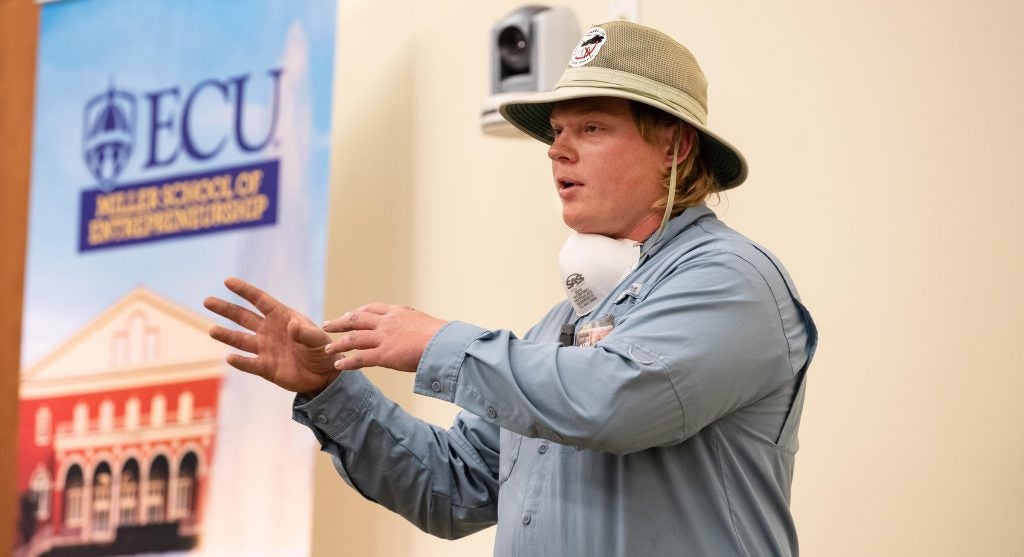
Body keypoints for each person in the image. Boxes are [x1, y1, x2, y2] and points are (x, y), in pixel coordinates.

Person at [204, 20, 817, 557]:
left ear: (675, 147)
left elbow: (614, 402)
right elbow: (449, 490)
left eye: (593, 127)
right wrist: (329, 387)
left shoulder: (731, 278)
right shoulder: (558, 328)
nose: (557, 150)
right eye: (556, 131)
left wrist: (439, 343)